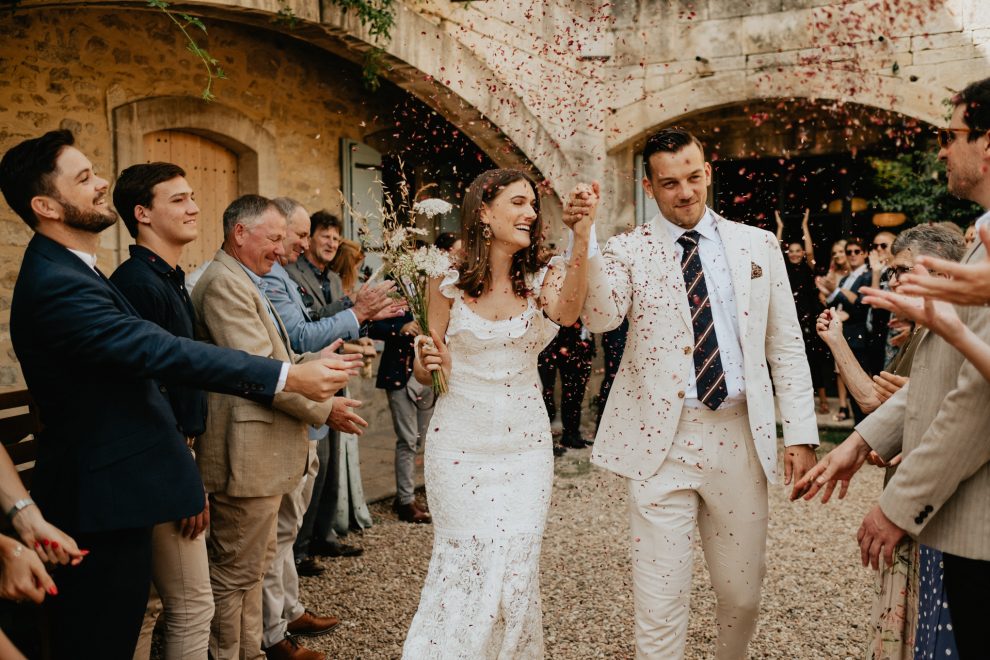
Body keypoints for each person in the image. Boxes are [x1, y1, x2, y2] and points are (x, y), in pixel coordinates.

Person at [0, 129, 349, 659]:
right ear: (46, 205)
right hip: (101, 499)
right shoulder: (57, 284)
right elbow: (163, 352)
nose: (101, 185)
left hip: (121, 491)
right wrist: (286, 377)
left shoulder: (79, 271)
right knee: (106, 640)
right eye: (84, 178)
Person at [578, 128, 818, 659]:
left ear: (708, 171)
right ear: (649, 186)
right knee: (659, 604)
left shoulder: (758, 244)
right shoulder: (625, 250)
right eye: (669, 183)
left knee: (742, 595)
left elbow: (785, 345)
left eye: (693, 177)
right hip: (660, 443)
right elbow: (600, 315)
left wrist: (800, 434)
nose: (685, 192)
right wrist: (585, 240)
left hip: (738, 436)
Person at [796, 76, 990, 659]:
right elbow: (946, 367)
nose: (941, 149)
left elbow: (977, 397)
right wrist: (860, 442)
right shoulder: (980, 243)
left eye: (951, 134)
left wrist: (899, 504)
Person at [404, 169, 593, 658]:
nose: (530, 212)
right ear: (484, 212)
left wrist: (582, 234)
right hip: (459, 448)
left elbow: (569, 314)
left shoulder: (541, 276)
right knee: (463, 567)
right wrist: (429, 364)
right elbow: (425, 374)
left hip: (525, 451)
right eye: (517, 202)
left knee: (515, 570)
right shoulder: (444, 281)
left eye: (533, 203)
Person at [190, 195, 361, 660]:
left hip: (264, 454)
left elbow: (279, 362)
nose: (283, 249)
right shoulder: (224, 284)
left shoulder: (245, 278)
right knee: (235, 576)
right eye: (274, 238)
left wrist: (317, 361)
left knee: (253, 571)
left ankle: (253, 651)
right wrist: (327, 411)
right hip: (245, 456)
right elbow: (259, 372)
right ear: (240, 234)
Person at [816, 224, 965, 659]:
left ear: (941, 271)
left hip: (930, 508)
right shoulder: (919, 333)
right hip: (909, 501)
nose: (891, 279)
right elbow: (876, 406)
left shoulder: (944, 334)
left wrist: (912, 420)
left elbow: (952, 416)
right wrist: (836, 342)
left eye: (901, 268)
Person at [260, 197, 391, 660]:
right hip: (289, 411)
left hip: (309, 403)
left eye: (293, 236)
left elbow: (308, 326)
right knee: (276, 534)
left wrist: (352, 314)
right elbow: (297, 337)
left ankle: (289, 610)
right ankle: (273, 631)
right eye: (288, 236)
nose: (293, 245)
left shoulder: (290, 273)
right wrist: (356, 314)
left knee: (289, 524)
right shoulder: (270, 276)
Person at [108, 162, 214, 660]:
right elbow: (148, 393)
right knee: (192, 608)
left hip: (168, 459)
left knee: (150, 606)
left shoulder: (168, 279)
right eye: (178, 199)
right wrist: (183, 479)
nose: (193, 207)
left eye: (192, 196)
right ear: (142, 213)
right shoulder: (138, 285)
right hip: (160, 462)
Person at [286, 211, 375, 560]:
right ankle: (300, 547)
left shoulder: (335, 280)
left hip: (337, 373)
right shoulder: (294, 276)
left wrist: (363, 329)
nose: (331, 243)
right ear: (309, 239)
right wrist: (353, 309)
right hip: (308, 374)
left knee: (333, 463)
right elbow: (312, 324)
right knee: (315, 464)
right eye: (325, 235)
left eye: (336, 238)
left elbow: (345, 325)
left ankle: (325, 535)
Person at [369, 232, 462, 524]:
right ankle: (405, 500)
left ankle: (421, 492)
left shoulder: (438, 288)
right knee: (407, 440)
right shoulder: (392, 288)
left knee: (425, 439)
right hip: (399, 374)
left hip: (430, 373)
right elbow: (371, 327)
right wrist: (401, 327)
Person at [776, 208, 831, 414]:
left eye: (798, 251)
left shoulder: (808, 267)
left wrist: (805, 226)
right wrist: (780, 228)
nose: (796, 254)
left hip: (809, 318)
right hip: (790, 319)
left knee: (813, 360)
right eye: (792, 251)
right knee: (792, 361)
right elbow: (776, 249)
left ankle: (823, 400)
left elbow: (810, 252)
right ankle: (795, 402)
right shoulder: (783, 268)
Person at [817, 236, 872, 422]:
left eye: (857, 251)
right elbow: (834, 302)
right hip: (844, 336)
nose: (852, 255)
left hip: (859, 338)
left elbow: (861, 305)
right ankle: (857, 425)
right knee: (850, 385)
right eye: (849, 252)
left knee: (862, 387)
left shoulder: (868, 276)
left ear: (865, 253)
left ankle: (864, 429)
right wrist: (827, 291)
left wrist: (837, 293)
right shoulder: (846, 279)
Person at [538, 316, 595, 453]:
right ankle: (564, 436)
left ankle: (573, 433)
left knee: (577, 391)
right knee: (563, 390)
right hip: (565, 342)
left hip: (583, 343)